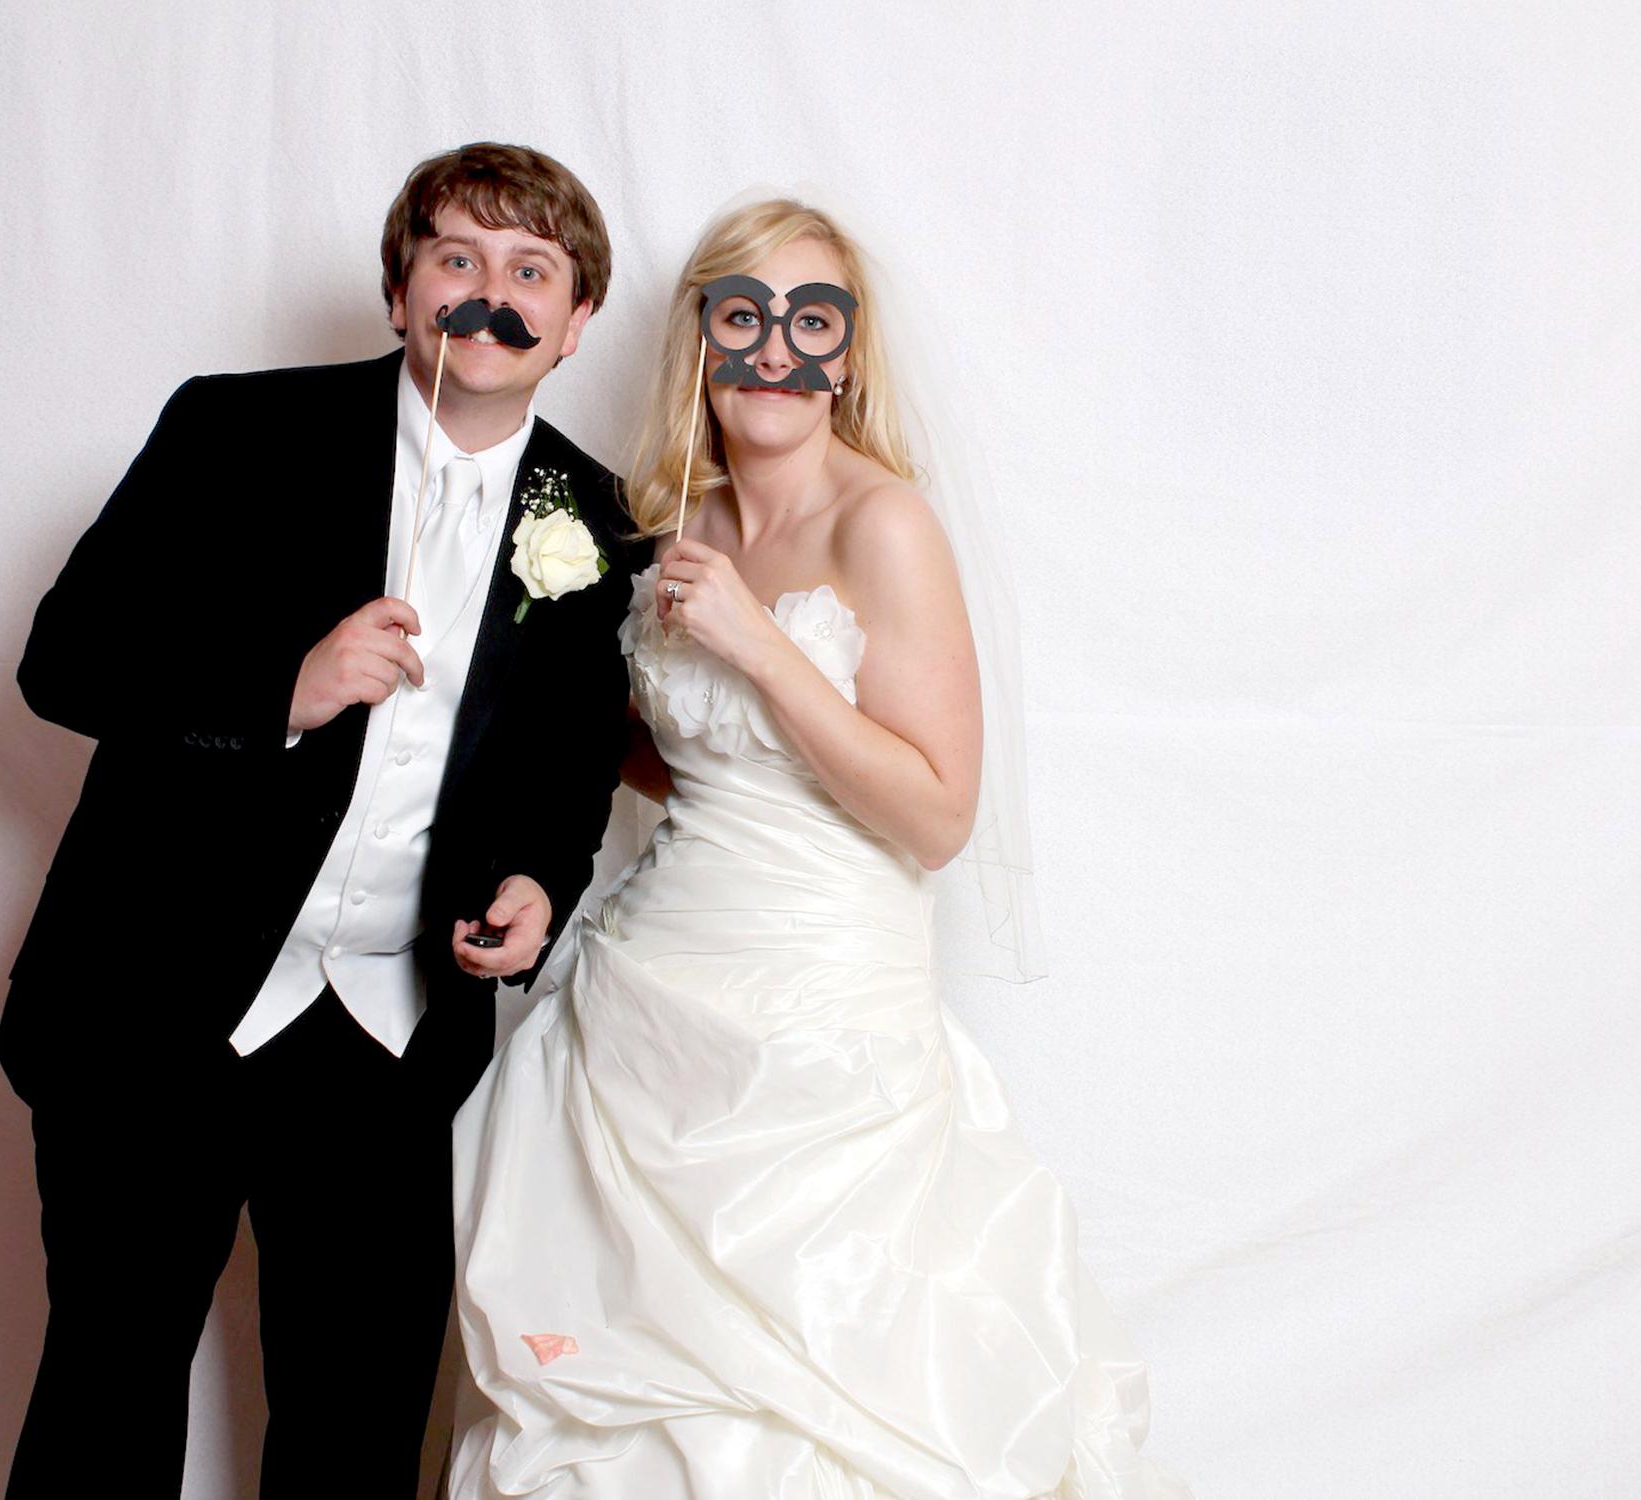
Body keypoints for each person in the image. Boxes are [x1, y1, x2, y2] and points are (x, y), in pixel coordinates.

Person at [449, 200, 1189, 1498]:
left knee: (826, 1398)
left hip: (824, 1027)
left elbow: (935, 812)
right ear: (703, 341)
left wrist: (757, 645)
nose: (776, 349)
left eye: (811, 318)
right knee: (617, 1368)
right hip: (649, 1009)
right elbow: (674, 756)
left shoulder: (883, 525)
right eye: (744, 317)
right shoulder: (677, 520)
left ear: (846, 354)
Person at [0, 142, 644, 1499]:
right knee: (107, 1400)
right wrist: (281, 690)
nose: (491, 294)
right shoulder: (237, 430)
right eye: (456, 258)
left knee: (355, 1431)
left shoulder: (590, 518)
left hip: (385, 1045)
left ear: (578, 321)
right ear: (403, 288)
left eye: (533, 270)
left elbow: (573, 766)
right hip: (151, 1013)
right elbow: (64, 659)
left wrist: (538, 882)